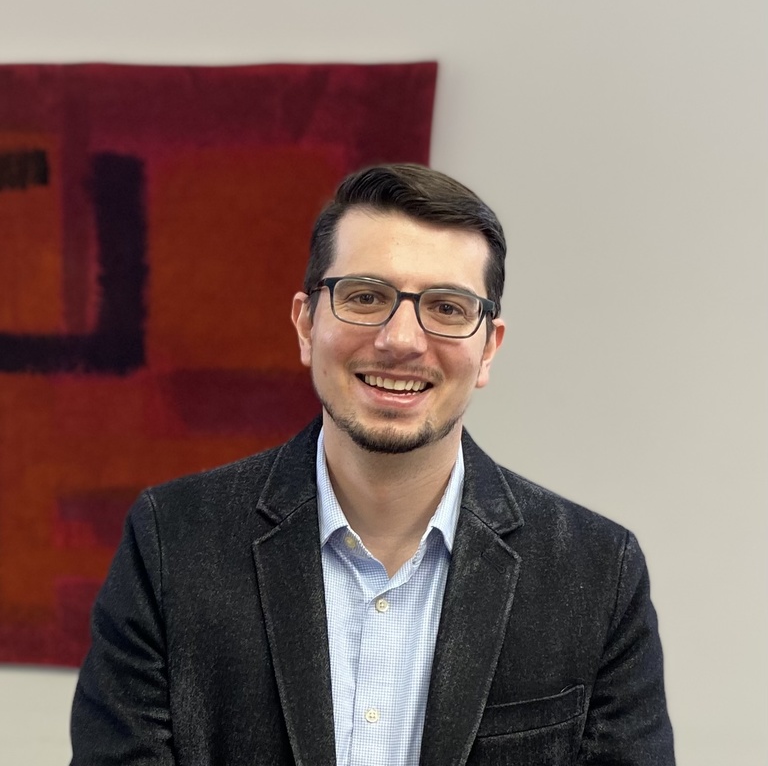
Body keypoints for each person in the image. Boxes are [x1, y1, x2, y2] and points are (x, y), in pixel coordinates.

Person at [70, 163, 675, 765]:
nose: (402, 339)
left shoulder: (597, 574)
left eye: (447, 307)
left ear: (488, 347)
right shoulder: (172, 542)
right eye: (366, 297)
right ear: (307, 325)